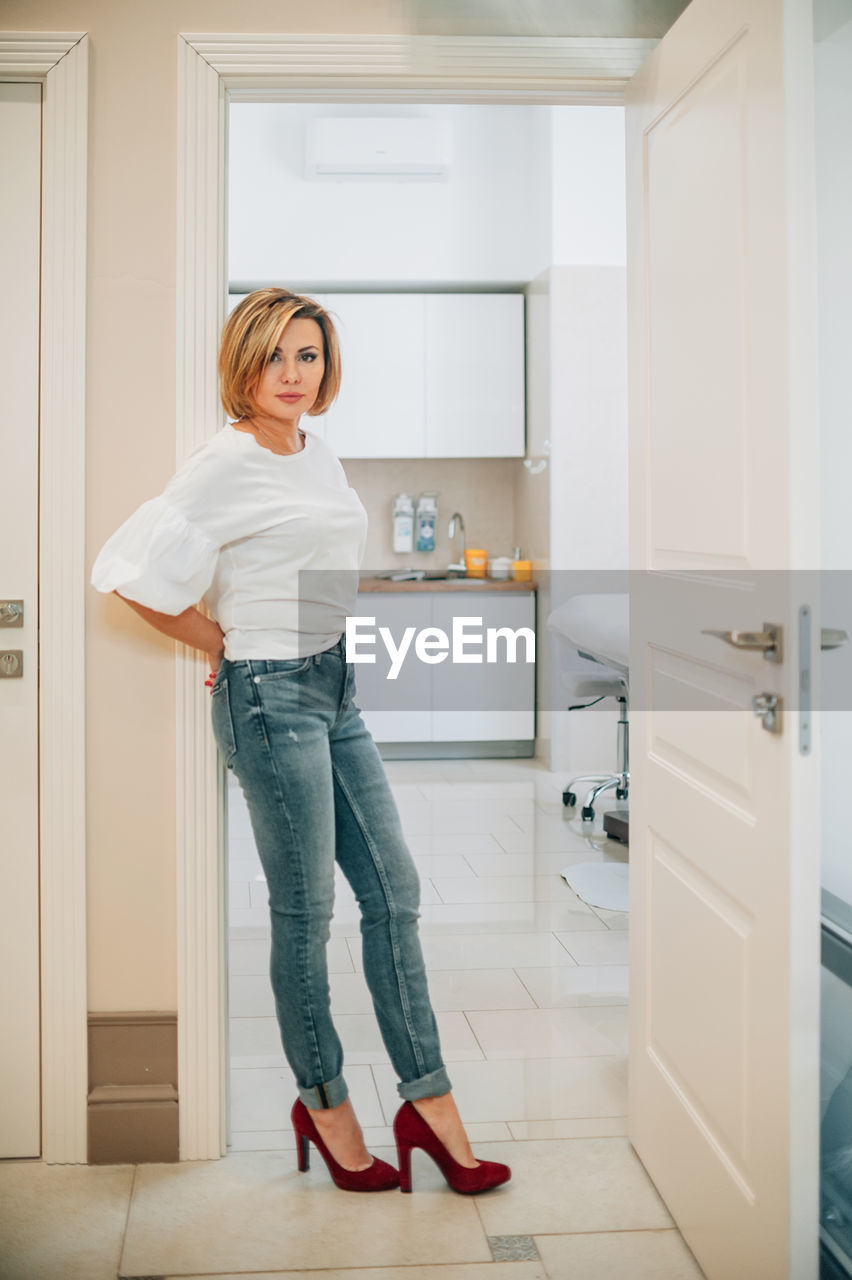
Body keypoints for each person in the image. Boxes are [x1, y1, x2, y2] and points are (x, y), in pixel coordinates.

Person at [90, 287, 511, 1196]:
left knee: (393, 893)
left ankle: (426, 1102)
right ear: (244, 363)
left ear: (326, 369)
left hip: (333, 682)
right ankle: (324, 1105)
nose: (293, 373)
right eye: (276, 355)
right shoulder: (222, 462)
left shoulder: (316, 452)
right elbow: (129, 574)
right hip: (270, 697)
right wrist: (230, 647)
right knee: (306, 915)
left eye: (309, 356)